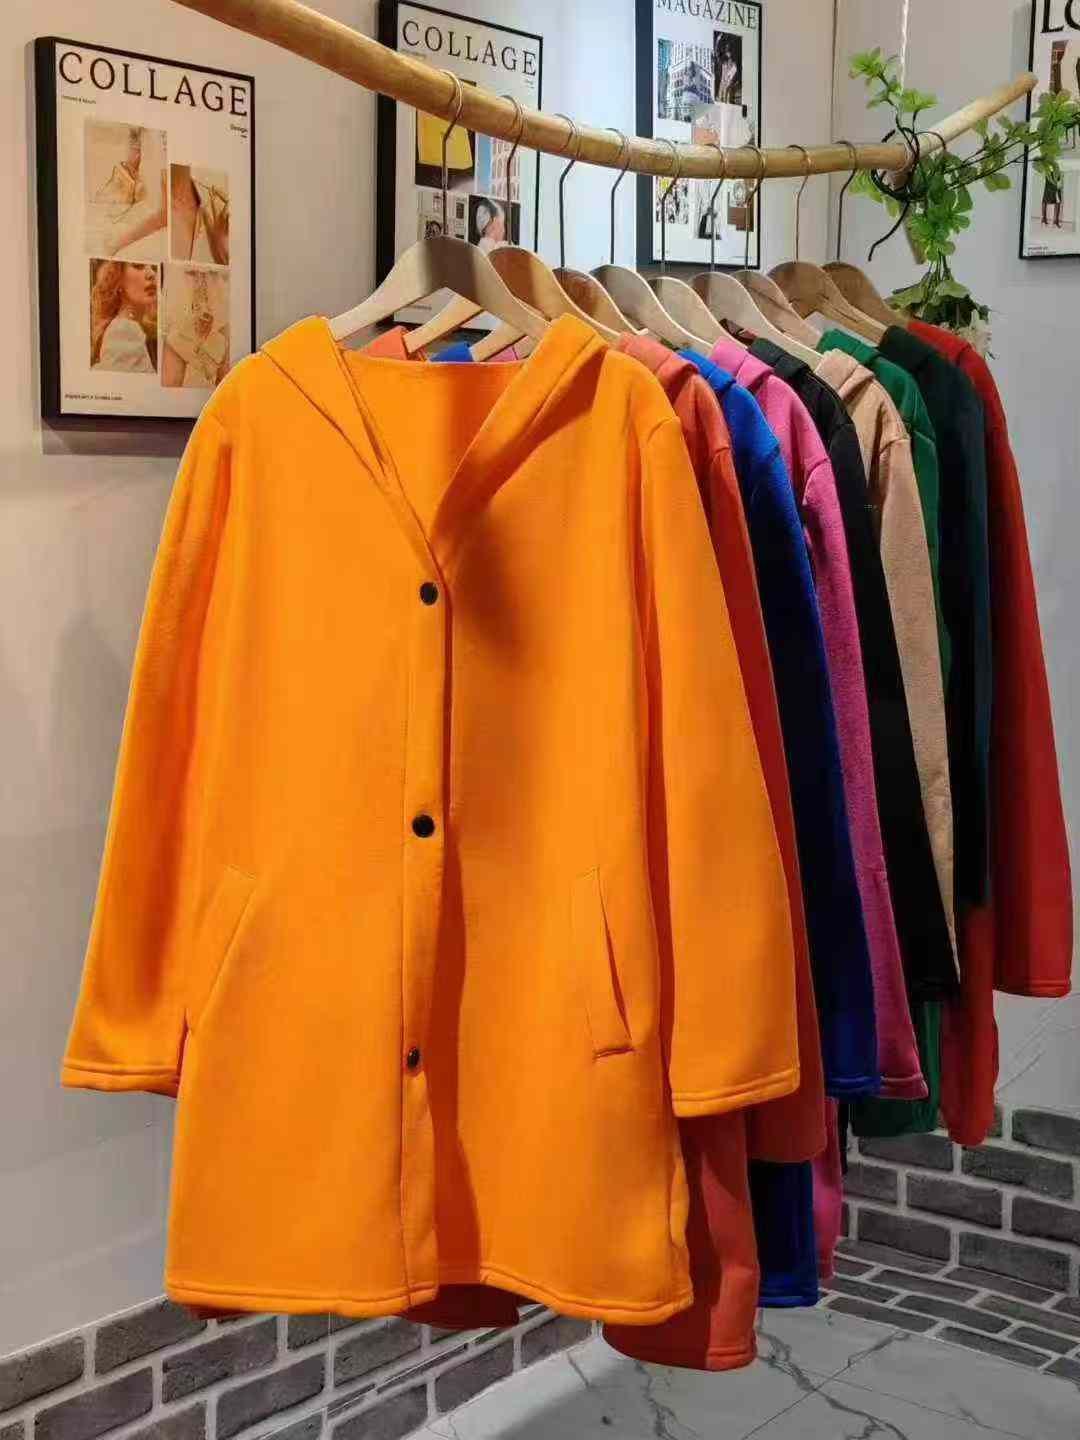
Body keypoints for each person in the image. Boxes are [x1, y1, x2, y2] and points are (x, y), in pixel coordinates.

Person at [90, 261, 157, 373]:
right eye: (138, 266)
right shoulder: (124, 330)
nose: (152, 274)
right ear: (118, 279)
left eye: (154, 268)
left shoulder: (130, 327)